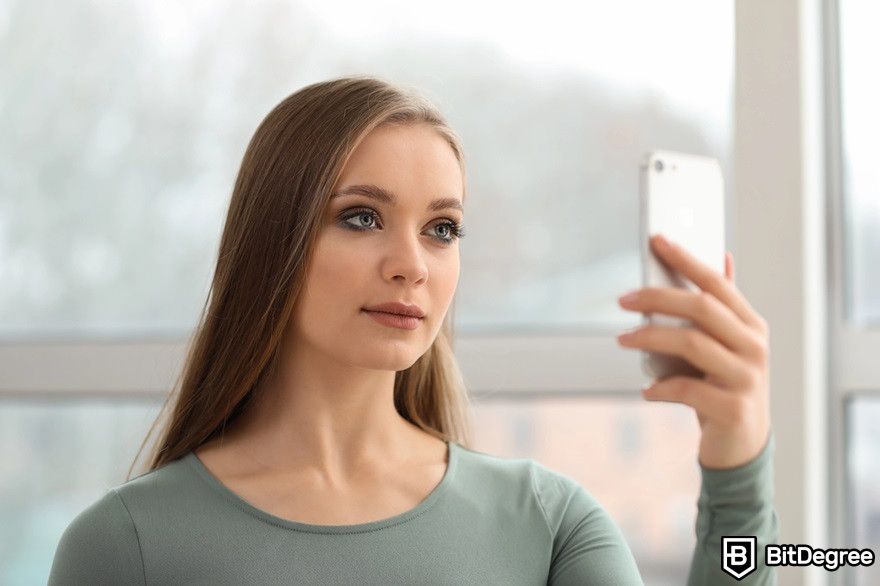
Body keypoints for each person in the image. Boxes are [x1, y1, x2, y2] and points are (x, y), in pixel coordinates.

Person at [48, 75, 777, 585]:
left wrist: (737, 469)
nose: (412, 266)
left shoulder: (550, 525)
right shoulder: (124, 547)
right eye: (361, 217)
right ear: (273, 239)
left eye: (443, 229)